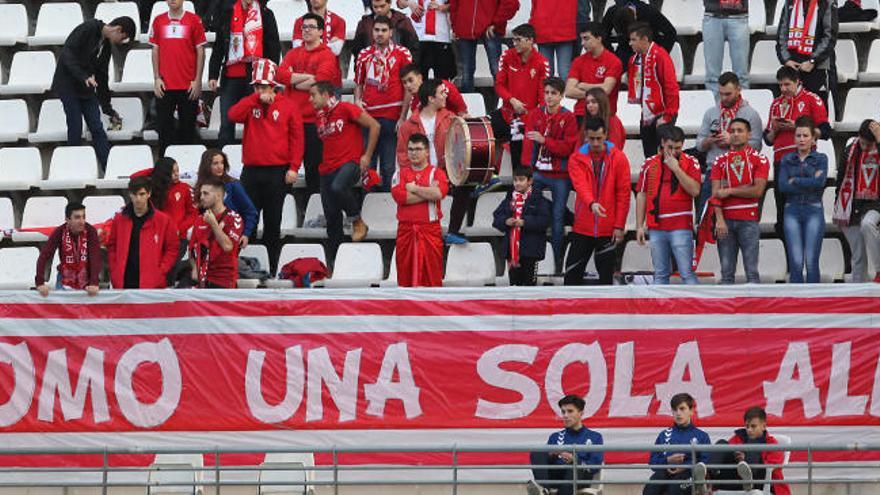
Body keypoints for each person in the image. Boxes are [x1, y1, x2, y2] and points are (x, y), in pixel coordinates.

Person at [227, 58, 304, 275]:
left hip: (277, 172)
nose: (261, 90)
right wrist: (254, 98)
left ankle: (270, 266)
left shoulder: (288, 106)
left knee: (273, 222)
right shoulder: (250, 104)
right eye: (257, 86)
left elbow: (297, 140)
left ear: (273, 86)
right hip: (251, 171)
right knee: (245, 222)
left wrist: (294, 168)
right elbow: (232, 115)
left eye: (264, 86)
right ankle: (243, 266)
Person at [51, 17, 135, 170]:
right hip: (68, 84)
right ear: (118, 29)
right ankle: (72, 168)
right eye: (121, 38)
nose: (119, 42)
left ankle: (110, 168)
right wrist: (83, 76)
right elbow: (67, 54)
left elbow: (102, 76)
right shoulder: (88, 28)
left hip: (87, 88)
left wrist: (108, 109)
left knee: (97, 127)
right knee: (75, 125)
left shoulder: (106, 45)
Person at [310, 81, 380, 255]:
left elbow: (374, 126)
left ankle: (357, 220)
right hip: (327, 168)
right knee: (332, 219)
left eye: (313, 95)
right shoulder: (319, 115)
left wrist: (367, 155)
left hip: (350, 162)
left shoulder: (346, 108)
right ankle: (336, 261)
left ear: (326, 95)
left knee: (338, 187)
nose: (310, 99)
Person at [278, 12, 342, 197]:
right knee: (288, 170)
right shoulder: (293, 53)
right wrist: (306, 78)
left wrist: (292, 80)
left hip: (314, 122)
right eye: (304, 27)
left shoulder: (327, 55)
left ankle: (316, 212)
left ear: (321, 31)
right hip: (291, 121)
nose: (306, 30)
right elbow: (279, 75)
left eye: (311, 27)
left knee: (314, 170)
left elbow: (320, 83)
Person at [765, 66, 830, 238]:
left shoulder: (811, 99)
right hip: (781, 162)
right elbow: (768, 139)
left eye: (787, 84)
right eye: (780, 85)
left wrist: (798, 127)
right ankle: (789, 260)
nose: (783, 89)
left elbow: (825, 131)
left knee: (805, 208)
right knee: (783, 213)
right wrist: (776, 129)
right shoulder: (776, 103)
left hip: (805, 160)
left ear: (797, 82)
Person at [521, 77, 579, 269]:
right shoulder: (535, 114)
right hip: (537, 172)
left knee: (557, 216)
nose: (549, 97)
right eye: (546, 92)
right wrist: (526, 171)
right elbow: (528, 146)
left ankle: (557, 261)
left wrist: (545, 141)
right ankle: (529, 258)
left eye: (553, 93)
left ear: (561, 96)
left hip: (560, 175)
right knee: (529, 208)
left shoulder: (568, 117)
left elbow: (568, 149)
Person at [565, 117, 631, 284]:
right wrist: (592, 203)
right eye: (592, 138)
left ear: (606, 135)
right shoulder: (576, 158)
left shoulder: (619, 158)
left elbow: (623, 194)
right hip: (582, 226)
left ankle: (607, 310)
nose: (595, 143)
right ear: (586, 136)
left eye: (599, 138)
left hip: (608, 227)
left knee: (606, 278)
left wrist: (619, 225)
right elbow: (581, 185)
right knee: (571, 276)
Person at [208, 0, 281, 148]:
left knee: (258, 122)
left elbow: (274, 46)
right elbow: (219, 46)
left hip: (256, 78)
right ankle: (224, 164)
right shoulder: (227, 12)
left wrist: (269, 76)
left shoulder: (265, 14)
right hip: (231, 76)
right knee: (227, 124)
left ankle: (259, 160)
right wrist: (213, 74)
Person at [636, 125, 701, 285]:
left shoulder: (691, 162)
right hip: (656, 226)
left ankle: (696, 308)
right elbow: (642, 194)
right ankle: (661, 310)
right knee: (660, 274)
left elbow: (695, 190)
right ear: (662, 143)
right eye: (670, 147)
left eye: (678, 148)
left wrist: (677, 169)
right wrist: (639, 226)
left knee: (686, 273)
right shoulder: (649, 163)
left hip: (681, 227)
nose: (673, 152)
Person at [354, 16, 414, 191]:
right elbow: (358, 84)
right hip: (369, 117)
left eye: (383, 30)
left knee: (388, 166)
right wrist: (357, 101)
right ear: (372, 32)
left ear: (391, 32)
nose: (380, 34)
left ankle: (387, 207)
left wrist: (403, 116)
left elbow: (408, 87)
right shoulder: (364, 54)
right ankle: (369, 207)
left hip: (392, 116)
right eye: (376, 30)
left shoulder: (403, 53)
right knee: (368, 166)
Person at [710, 118, 770, 284]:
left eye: (740, 131)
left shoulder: (760, 159)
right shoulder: (719, 161)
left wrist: (729, 190)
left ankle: (754, 308)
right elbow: (715, 194)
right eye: (733, 131)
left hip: (749, 220)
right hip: (725, 221)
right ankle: (726, 310)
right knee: (726, 273)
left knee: (751, 272)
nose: (735, 134)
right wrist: (719, 220)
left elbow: (757, 191)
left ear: (749, 134)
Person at [694, 72, 764, 216]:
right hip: (713, 170)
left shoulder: (750, 114)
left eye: (728, 94)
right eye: (721, 94)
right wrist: (710, 140)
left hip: (741, 171)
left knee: (737, 222)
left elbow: (756, 146)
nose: (724, 98)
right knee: (706, 219)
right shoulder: (711, 112)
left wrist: (732, 140)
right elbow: (699, 145)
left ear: (739, 90)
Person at [492, 24, 551, 175]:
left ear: (530, 40)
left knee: (519, 152)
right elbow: (498, 85)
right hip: (506, 113)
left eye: (518, 40)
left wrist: (532, 117)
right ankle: (489, 175)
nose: (515, 43)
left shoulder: (541, 63)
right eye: (513, 40)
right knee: (480, 134)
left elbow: (543, 97)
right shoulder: (506, 56)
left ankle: (517, 187)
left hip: (527, 119)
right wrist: (512, 100)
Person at [150, 0, 207, 155]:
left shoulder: (194, 20)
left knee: (188, 131)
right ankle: (165, 171)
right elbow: (155, 50)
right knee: (164, 132)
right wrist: (156, 78)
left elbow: (201, 51)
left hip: (188, 85)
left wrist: (197, 80)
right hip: (165, 85)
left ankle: (187, 167)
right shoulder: (158, 20)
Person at [391, 133, 449, 287]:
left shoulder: (437, 173)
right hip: (406, 230)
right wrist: (428, 193)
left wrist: (415, 188)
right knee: (405, 275)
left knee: (432, 274)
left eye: (417, 149)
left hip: (430, 230)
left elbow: (439, 193)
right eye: (410, 149)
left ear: (427, 151)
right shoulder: (399, 173)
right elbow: (401, 198)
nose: (413, 153)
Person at [778, 116, 828, 283]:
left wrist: (796, 180)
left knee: (812, 261)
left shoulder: (821, 158)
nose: (801, 139)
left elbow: (819, 183)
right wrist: (810, 179)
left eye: (805, 135)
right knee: (796, 262)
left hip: (813, 209)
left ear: (813, 138)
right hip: (791, 209)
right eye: (798, 135)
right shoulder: (786, 159)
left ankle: (815, 304)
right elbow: (783, 186)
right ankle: (795, 303)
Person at [107, 176, 179, 289]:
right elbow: (112, 246)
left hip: (152, 283)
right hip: (123, 281)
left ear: (149, 194)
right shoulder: (119, 219)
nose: (138, 199)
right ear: (130, 194)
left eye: (142, 194)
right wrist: (115, 269)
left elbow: (172, 248)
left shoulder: (163, 220)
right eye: (135, 194)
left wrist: (161, 270)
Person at [527, 394, 603, 495]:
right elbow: (546, 463)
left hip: (580, 476)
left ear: (581, 413)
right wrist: (552, 455)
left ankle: (544, 491)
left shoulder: (595, 437)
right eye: (563, 412)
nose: (565, 415)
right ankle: (544, 489)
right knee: (538, 451)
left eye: (570, 411)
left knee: (574, 467)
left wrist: (574, 459)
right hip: (557, 476)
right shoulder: (555, 436)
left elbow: (594, 466)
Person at [833, 119, 880, 283]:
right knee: (858, 256)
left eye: (869, 144)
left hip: (875, 204)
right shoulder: (850, 150)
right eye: (862, 142)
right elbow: (841, 179)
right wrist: (838, 206)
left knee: (868, 224)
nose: (864, 146)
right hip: (851, 206)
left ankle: (879, 270)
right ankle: (859, 294)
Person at [705, 407, 791, 495]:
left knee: (753, 448)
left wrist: (746, 460)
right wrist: (738, 459)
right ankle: (707, 477)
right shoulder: (738, 437)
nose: (749, 430)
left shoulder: (772, 443)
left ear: (764, 426)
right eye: (747, 426)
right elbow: (727, 456)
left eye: (753, 426)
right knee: (722, 443)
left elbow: (773, 466)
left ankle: (748, 476)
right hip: (737, 481)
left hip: (760, 482)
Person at [492, 167, 552, 286]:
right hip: (512, 251)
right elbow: (496, 218)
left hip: (531, 250)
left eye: (521, 180)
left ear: (530, 181)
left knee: (530, 286)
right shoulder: (509, 199)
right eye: (515, 180)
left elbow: (545, 221)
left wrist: (525, 222)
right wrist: (506, 221)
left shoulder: (539, 200)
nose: (517, 183)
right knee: (514, 285)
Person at [642, 393, 711, 495]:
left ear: (691, 411)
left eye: (682, 409)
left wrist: (685, 466)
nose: (678, 413)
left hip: (690, 474)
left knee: (674, 490)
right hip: (665, 473)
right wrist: (668, 461)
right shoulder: (663, 435)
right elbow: (653, 462)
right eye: (675, 410)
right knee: (651, 488)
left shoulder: (702, 436)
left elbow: (706, 462)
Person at [627, 22, 679, 158]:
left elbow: (671, 87)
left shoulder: (660, 56)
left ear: (645, 39)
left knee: (665, 157)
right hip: (647, 114)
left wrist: (668, 116)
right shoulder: (635, 59)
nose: (630, 43)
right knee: (650, 157)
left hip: (663, 113)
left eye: (633, 39)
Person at [133, 157, 199, 260]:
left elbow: (193, 214)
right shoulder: (153, 189)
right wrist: (156, 170)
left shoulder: (185, 188)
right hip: (155, 237)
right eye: (172, 172)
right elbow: (134, 177)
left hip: (177, 238)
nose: (177, 174)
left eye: (177, 170)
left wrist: (179, 229)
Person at [776, 0, 838, 107]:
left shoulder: (828, 2)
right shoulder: (789, 2)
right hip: (793, 65)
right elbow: (782, 33)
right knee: (793, 110)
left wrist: (813, 61)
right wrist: (786, 60)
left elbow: (830, 36)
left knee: (818, 110)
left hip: (818, 66)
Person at [449, 0, 520, 92]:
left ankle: (505, 102)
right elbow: (454, 4)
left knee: (496, 70)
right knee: (466, 72)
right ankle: (468, 105)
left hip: (489, 29)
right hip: (465, 27)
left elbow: (511, 3)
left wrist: (496, 23)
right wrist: (455, 25)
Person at [35, 203, 102, 297]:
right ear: (67, 220)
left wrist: (94, 282)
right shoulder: (59, 232)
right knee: (61, 311)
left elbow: (95, 258)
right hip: (64, 278)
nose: (82, 221)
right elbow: (44, 256)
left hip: (87, 279)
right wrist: (40, 282)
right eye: (77, 217)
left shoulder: (91, 231)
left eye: (84, 217)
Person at [195, 148, 259, 248]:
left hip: (231, 235)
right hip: (207, 235)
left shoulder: (233, 185)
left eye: (222, 163)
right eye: (215, 163)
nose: (220, 166)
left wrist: (246, 234)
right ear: (207, 166)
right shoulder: (201, 185)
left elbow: (250, 211)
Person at [189, 177, 245, 288]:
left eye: (206, 194)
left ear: (218, 195)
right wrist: (195, 268)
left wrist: (213, 224)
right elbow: (191, 249)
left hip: (224, 282)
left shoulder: (234, 218)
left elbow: (228, 246)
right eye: (201, 193)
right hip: (203, 282)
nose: (201, 197)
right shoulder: (200, 219)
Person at [565, 22, 623, 119]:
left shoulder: (613, 61)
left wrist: (584, 86)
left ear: (599, 39)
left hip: (604, 114)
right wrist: (595, 96)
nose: (582, 43)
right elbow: (569, 91)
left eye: (586, 38)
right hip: (581, 113)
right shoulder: (578, 61)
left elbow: (606, 90)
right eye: (581, 39)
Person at [397, 79, 456, 169]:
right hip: (418, 179)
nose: (445, 95)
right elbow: (403, 157)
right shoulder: (407, 126)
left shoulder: (450, 119)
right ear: (431, 99)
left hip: (446, 177)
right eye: (441, 93)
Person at [602, 0, 676, 68]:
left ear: (635, 17)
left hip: (648, 51)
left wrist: (660, 55)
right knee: (615, 68)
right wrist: (611, 54)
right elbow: (603, 34)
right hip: (625, 50)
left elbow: (671, 32)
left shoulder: (649, 12)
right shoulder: (612, 11)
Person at [397, 0, 456, 80]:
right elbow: (399, 3)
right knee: (418, 79)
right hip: (418, 38)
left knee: (441, 80)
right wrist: (410, 3)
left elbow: (456, 5)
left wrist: (442, 7)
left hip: (441, 38)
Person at [702, 0, 750, 98]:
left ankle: (742, 110)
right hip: (713, 14)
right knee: (712, 75)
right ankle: (715, 110)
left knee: (741, 75)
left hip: (738, 15)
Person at [399, 63, 468, 124]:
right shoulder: (414, 104)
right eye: (404, 82)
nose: (408, 85)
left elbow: (462, 112)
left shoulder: (442, 86)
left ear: (420, 78)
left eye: (411, 80)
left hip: (454, 131)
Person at [352, 0, 420, 60]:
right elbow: (357, 51)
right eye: (375, 7)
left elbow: (414, 49)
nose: (379, 10)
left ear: (390, 3)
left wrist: (409, 71)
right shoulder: (364, 24)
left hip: (399, 70)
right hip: (371, 70)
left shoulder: (403, 22)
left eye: (382, 6)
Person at [530, 0, 577, 79]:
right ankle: (568, 91)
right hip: (565, 30)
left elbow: (534, 8)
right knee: (564, 71)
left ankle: (547, 91)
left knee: (547, 71)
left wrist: (532, 25)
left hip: (543, 30)